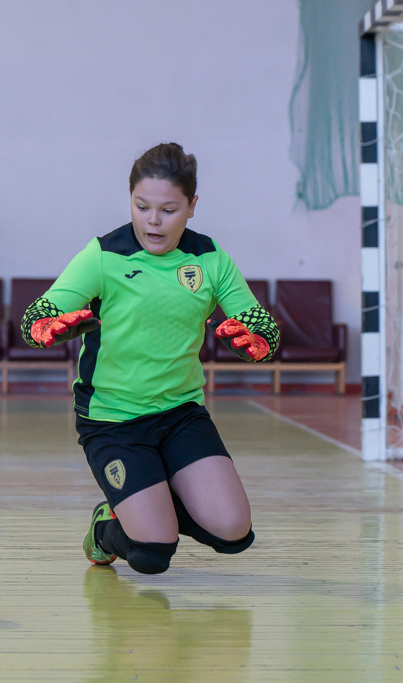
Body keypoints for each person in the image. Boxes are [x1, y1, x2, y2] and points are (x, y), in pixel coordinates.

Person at [20, 143, 279, 574]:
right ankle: (106, 526)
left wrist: (259, 340)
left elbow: (261, 325)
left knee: (234, 532)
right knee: (151, 554)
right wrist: (45, 327)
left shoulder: (209, 258)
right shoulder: (103, 256)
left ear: (192, 207)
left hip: (181, 414)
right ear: (130, 200)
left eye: (168, 210)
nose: (153, 220)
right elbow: (36, 315)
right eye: (142, 207)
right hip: (113, 420)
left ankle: (149, 495)